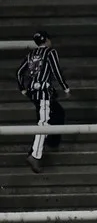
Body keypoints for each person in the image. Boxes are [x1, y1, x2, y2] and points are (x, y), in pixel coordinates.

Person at [17, 31, 70, 174]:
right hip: (44, 92)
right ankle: (35, 155)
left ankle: (45, 146)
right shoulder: (50, 52)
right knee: (44, 122)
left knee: (53, 115)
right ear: (46, 40)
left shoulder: (31, 54)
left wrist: (23, 88)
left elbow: (19, 72)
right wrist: (65, 87)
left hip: (34, 92)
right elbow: (56, 70)